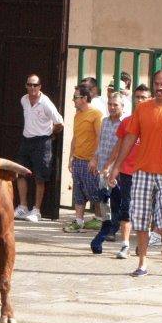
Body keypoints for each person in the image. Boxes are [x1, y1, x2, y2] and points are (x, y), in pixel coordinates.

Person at [106, 69, 162, 277]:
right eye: (156, 83)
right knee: (141, 218)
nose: (159, 87)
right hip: (142, 171)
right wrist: (116, 167)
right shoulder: (143, 108)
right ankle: (142, 263)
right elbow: (128, 139)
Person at [94, 83, 151, 259]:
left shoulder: (154, 123)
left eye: (144, 97)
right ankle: (125, 244)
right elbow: (118, 148)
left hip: (147, 172)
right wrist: (110, 167)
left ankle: (142, 244)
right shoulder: (127, 122)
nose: (140, 100)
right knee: (125, 208)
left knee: (144, 210)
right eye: (138, 97)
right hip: (127, 172)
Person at [14, 74, 63, 222]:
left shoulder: (46, 103)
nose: (32, 88)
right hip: (26, 140)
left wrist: (50, 134)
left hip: (42, 142)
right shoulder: (24, 100)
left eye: (35, 85)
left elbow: (59, 122)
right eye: (29, 84)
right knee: (21, 173)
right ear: (26, 86)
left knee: (40, 177)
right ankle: (22, 207)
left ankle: (36, 210)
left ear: (40, 87)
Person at [63, 83, 103, 233]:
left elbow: (100, 137)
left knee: (95, 191)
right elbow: (75, 137)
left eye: (76, 97)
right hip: (78, 159)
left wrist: (95, 158)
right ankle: (79, 221)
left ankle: (100, 219)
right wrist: (70, 157)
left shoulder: (96, 115)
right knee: (78, 192)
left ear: (85, 98)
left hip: (90, 161)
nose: (73, 100)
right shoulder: (77, 115)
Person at [88, 92, 124, 253]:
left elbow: (121, 149)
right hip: (103, 167)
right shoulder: (104, 121)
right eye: (110, 104)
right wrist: (95, 158)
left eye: (115, 105)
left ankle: (113, 230)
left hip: (117, 169)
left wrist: (112, 167)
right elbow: (100, 143)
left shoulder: (125, 124)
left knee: (117, 200)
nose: (112, 107)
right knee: (104, 200)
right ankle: (107, 226)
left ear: (122, 106)